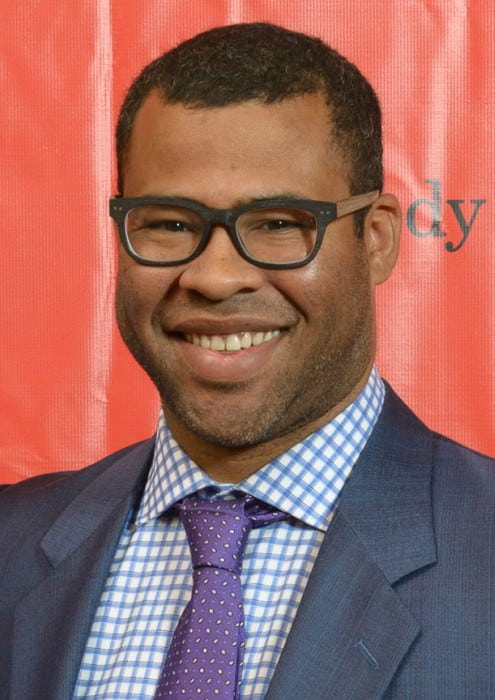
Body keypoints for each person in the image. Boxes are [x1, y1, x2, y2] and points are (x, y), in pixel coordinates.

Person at [0, 22, 493, 700]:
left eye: (278, 224)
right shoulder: (11, 543)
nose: (215, 276)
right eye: (170, 223)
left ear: (376, 240)